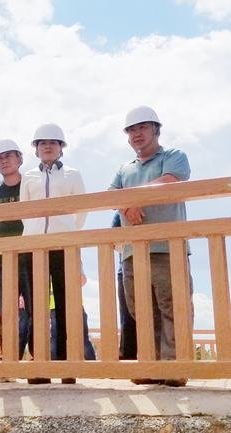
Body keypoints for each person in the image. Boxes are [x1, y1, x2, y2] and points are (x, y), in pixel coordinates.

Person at [110, 105, 192, 387]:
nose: (137, 134)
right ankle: (151, 364)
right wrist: (126, 205)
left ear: (156, 129)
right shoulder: (124, 168)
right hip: (133, 251)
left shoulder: (173, 156)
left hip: (168, 247)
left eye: (143, 127)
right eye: (131, 130)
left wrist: (134, 199)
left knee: (174, 305)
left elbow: (170, 182)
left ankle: (175, 366)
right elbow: (110, 195)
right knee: (140, 309)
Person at [20, 123, 87, 385]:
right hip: (34, 247)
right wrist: (34, 234)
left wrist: (69, 234)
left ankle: (67, 364)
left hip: (64, 246)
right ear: (36, 149)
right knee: (37, 306)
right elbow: (24, 210)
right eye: (42, 143)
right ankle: (40, 365)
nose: (47, 146)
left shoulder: (73, 174)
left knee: (66, 304)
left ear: (61, 147)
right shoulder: (28, 176)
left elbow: (81, 210)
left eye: (53, 142)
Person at [0, 139, 40, 383]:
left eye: (9, 155)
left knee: (35, 308)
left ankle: (38, 361)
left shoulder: (31, 184)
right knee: (7, 310)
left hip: (31, 254)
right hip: (3, 257)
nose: (4, 160)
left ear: (19, 158)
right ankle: (8, 363)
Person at [111, 211, 137, 360]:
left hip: (147, 267)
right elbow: (114, 242)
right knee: (128, 317)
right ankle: (128, 358)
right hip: (126, 269)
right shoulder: (120, 214)